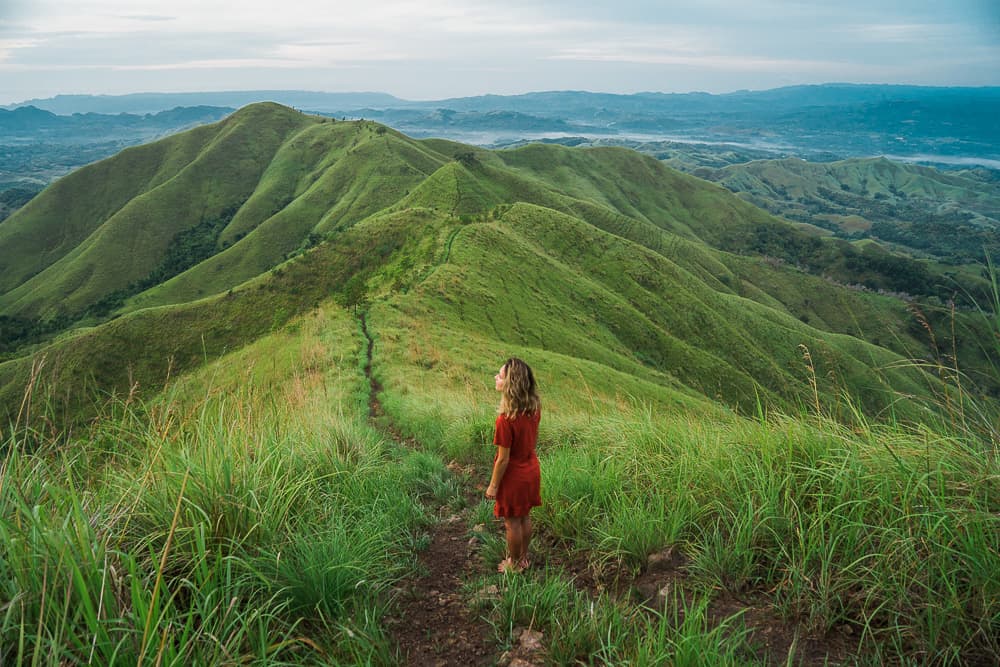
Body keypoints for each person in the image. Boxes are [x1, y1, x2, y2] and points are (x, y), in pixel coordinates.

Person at [485, 357, 542, 573]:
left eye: (500, 376)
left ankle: (514, 564)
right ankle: (523, 558)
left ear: (509, 383)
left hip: (514, 476)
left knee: (512, 523)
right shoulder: (534, 409)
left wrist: (493, 486)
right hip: (531, 470)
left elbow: (503, 459)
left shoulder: (505, 420)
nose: (496, 378)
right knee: (525, 516)